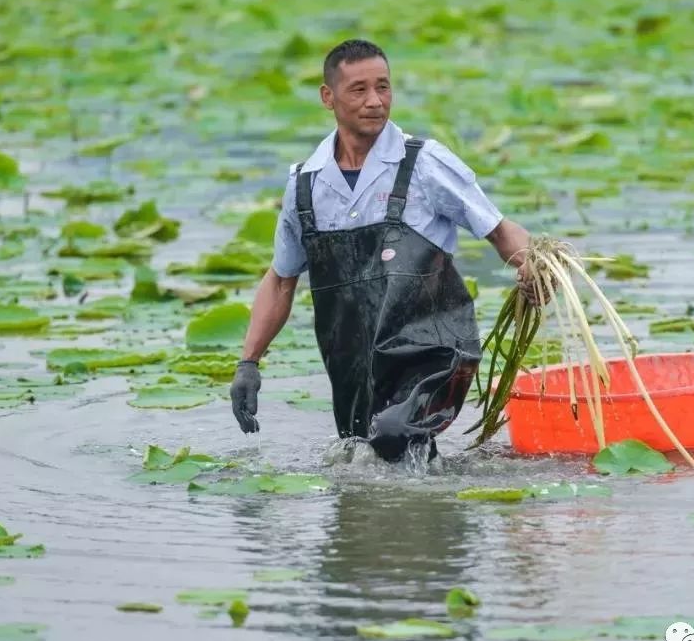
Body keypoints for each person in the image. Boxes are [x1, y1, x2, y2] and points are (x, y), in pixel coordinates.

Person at [230, 39, 544, 463]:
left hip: (434, 352)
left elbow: (499, 230)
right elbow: (282, 279)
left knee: (395, 434)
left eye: (384, 87)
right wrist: (249, 363)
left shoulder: (425, 164)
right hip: (354, 365)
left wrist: (536, 267)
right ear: (328, 97)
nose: (375, 101)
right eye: (358, 90)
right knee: (362, 458)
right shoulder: (305, 186)